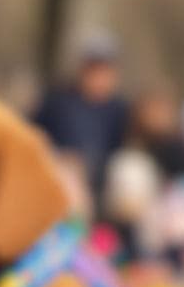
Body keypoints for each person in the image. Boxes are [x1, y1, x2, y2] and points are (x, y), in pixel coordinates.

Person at [32, 31, 130, 215]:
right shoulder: (58, 101)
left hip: (102, 180)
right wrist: (61, 158)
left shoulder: (120, 109)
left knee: (132, 173)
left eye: (105, 69)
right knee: (69, 181)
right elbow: (32, 136)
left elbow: (120, 152)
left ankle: (121, 238)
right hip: (61, 175)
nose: (99, 76)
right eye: (94, 69)